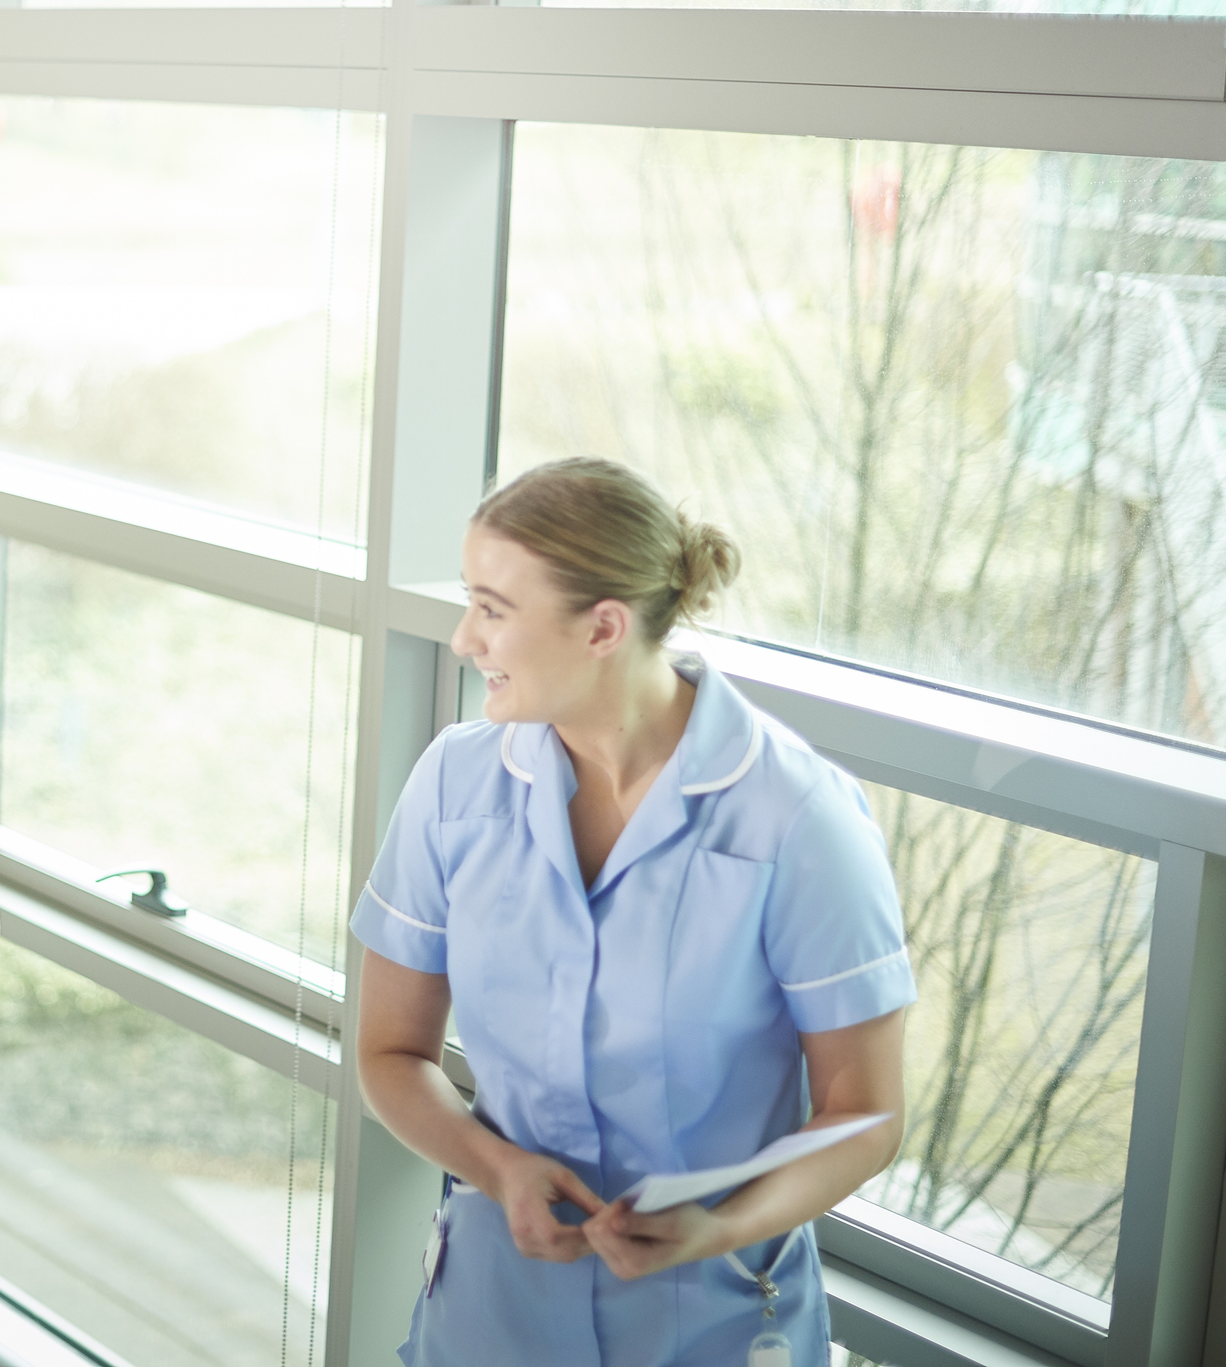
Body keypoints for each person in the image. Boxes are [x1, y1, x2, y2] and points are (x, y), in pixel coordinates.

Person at [351, 458, 916, 1365]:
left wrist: (716, 1229)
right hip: (490, 1318)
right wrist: (497, 1169)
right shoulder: (454, 783)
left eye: (493, 610)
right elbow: (388, 1052)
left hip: (712, 1323)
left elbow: (866, 1114)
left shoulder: (796, 818)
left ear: (603, 628)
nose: (464, 639)